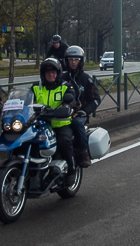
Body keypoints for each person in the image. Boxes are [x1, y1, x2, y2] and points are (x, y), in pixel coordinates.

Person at [33, 57, 78, 187]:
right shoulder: (36, 87)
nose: (51, 75)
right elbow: (25, 100)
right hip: (41, 125)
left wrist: (66, 107)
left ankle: (71, 170)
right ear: (43, 74)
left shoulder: (65, 86)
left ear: (58, 73)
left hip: (60, 124)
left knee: (64, 141)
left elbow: (71, 100)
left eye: (53, 72)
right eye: (48, 73)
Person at [62, 45, 101, 166]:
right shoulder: (61, 78)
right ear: (67, 61)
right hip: (62, 113)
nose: (73, 62)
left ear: (81, 61)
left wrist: (85, 111)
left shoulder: (86, 79)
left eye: (76, 59)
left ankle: (84, 153)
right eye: (71, 59)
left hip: (79, 113)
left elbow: (96, 99)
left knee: (77, 123)